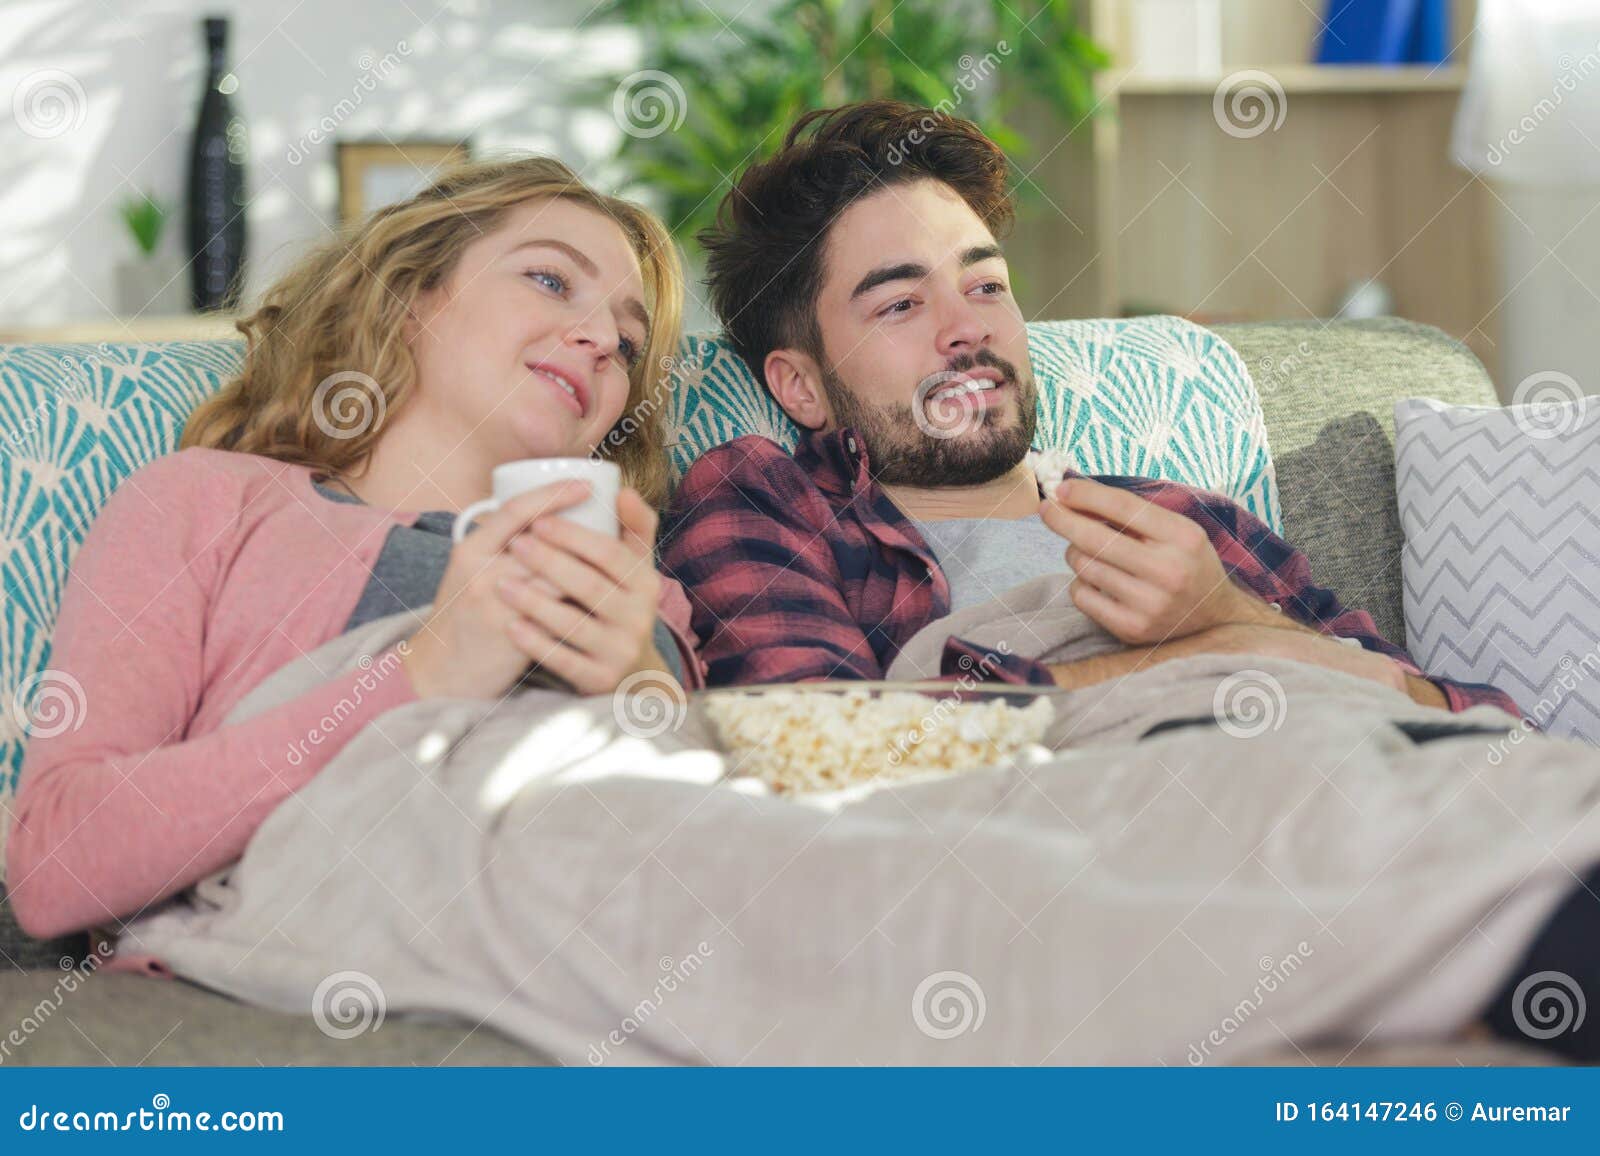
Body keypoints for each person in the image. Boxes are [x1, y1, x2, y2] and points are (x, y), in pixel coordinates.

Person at [6, 156, 701, 942]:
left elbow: (707, 851)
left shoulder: (632, 582)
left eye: (632, 342)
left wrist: (640, 692)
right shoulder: (209, 502)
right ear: (409, 294)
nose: (604, 338)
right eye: (549, 280)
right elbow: (54, 865)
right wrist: (424, 676)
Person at [658, 100, 1518, 720]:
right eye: (900, 305)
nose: (966, 329)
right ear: (799, 385)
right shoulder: (769, 502)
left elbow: (1466, 719)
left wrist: (1234, 615)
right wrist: (1217, 652)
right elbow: (836, 747)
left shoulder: (1178, 521)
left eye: (985, 285)